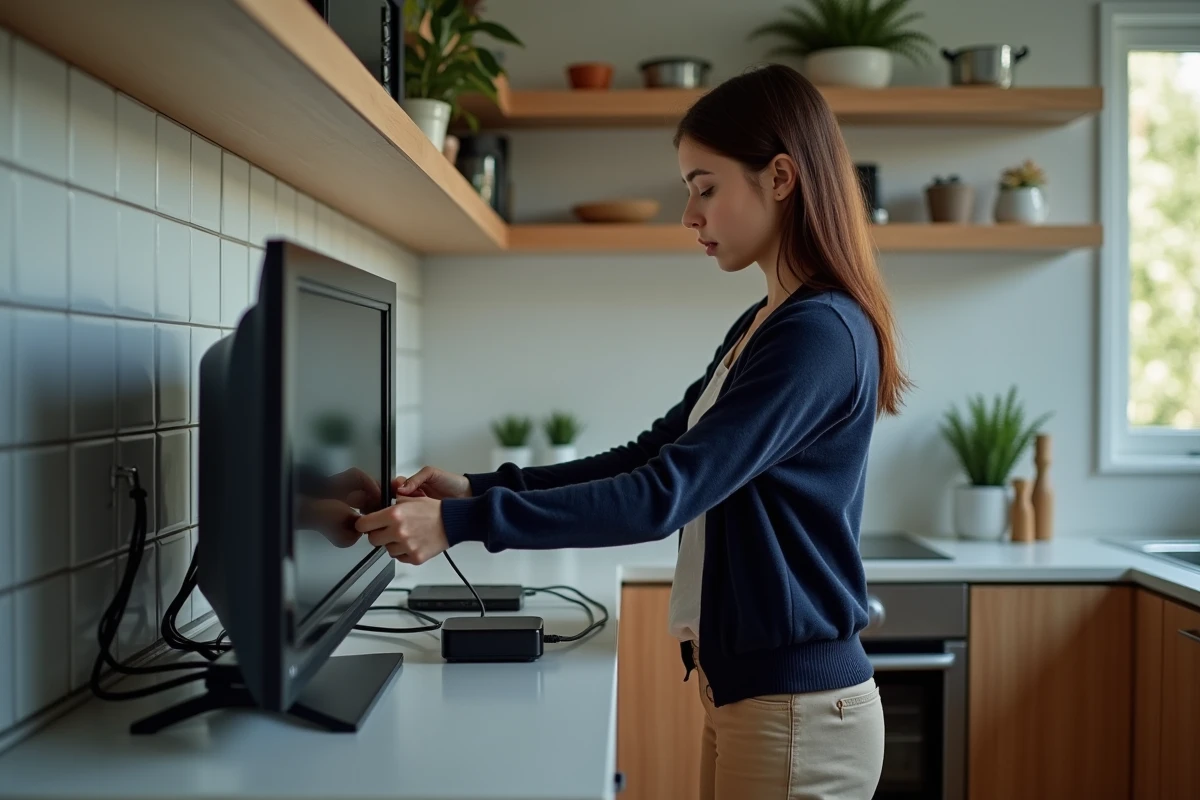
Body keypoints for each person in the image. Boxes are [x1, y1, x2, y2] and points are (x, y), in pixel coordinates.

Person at [354, 63, 909, 800]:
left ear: (780, 177)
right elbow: (652, 455)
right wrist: (479, 488)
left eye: (705, 187)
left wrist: (462, 522)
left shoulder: (820, 334)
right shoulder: (767, 322)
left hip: (798, 716)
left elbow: (663, 496)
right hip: (759, 701)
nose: (690, 216)